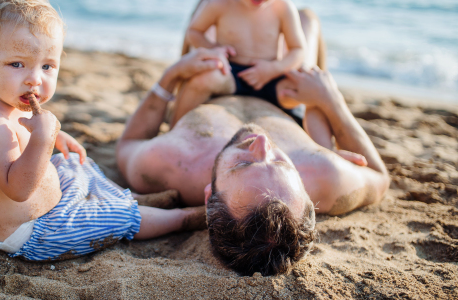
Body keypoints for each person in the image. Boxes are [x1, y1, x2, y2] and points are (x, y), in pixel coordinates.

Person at [0, 0, 205, 261]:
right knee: (121, 218)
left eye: (47, 66)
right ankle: (180, 218)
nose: (34, 79)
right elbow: (17, 190)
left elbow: (24, 139)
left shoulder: (9, 103)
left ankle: (130, 197)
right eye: (17, 64)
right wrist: (43, 140)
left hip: (47, 207)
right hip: (35, 232)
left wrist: (55, 136)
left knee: (73, 163)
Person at [116, 46, 390, 276]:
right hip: (286, 101)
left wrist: (171, 75)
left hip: (213, 87)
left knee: (209, 8)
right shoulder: (325, 175)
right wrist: (332, 101)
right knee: (306, 21)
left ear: (210, 193)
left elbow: (129, 143)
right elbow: (380, 176)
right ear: (307, 193)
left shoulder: (171, 162)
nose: (261, 142)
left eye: (242, 164)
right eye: (283, 164)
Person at [174, 0, 332, 148]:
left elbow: (298, 50)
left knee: (308, 92)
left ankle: (324, 149)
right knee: (200, 82)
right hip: (230, 72)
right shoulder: (219, 4)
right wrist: (213, 49)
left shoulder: (283, 9)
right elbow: (194, 32)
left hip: (269, 75)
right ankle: (174, 131)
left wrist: (273, 69)